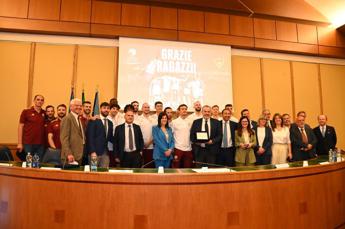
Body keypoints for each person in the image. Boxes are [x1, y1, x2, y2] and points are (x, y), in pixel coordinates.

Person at [17, 94, 46, 160]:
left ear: (43, 102)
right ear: (34, 101)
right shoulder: (26, 111)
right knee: (28, 164)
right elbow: (20, 126)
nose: (40, 101)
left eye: (42, 100)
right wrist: (19, 143)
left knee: (38, 164)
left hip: (40, 144)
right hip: (28, 143)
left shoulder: (44, 113)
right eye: (38, 99)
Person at [86, 102, 114, 168]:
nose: (106, 110)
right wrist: (92, 151)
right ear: (100, 109)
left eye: (108, 108)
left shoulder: (110, 123)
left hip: (105, 153)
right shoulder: (94, 120)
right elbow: (90, 137)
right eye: (104, 108)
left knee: (104, 173)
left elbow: (110, 138)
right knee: (93, 171)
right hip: (94, 153)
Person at [60, 98, 85, 165]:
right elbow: (64, 139)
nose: (79, 107)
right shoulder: (67, 119)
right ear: (71, 107)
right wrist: (69, 154)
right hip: (70, 157)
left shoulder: (78, 118)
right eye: (76, 105)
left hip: (78, 155)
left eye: (80, 106)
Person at [171, 104, 193, 168]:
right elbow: (171, 136)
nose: (184, 110)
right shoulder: (174, 122)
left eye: (185, 109)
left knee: (187, 168)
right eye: (182, 109)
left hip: (188, 148)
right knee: (176, 168)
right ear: (179, 111)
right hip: (178, 148)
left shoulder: (190, 121)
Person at [138, 103, 155, 168]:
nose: (147, 109)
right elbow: (137, 133)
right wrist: (142, 143)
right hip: (140, 147)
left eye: (148, 107)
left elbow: (156, 133)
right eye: (145, 107)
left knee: (149, 165)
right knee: (140, 165)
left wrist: (150, 142)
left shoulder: (153, 120)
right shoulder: (138, 119)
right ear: (142, 109)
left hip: (151, 146)